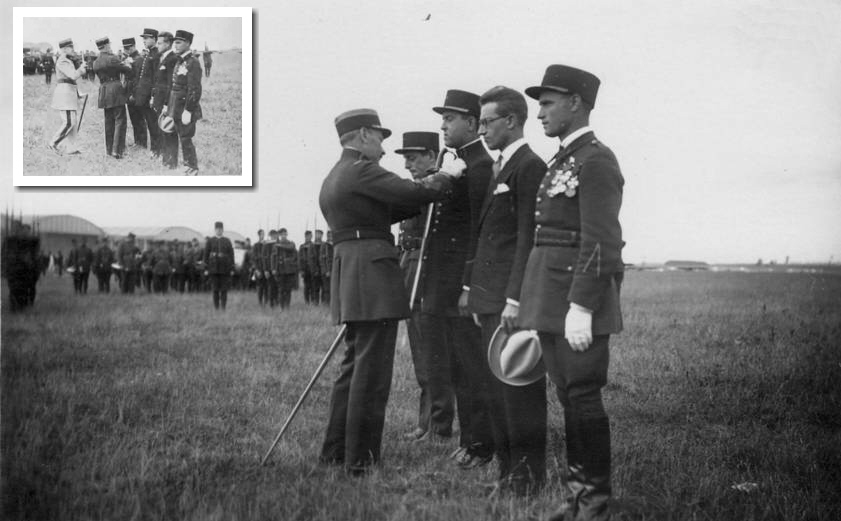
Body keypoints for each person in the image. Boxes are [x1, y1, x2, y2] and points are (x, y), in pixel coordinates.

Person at [318, 108, 465, 475]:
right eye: (381, 140)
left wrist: (420, 196)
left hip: (353, 273)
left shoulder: (339, 173)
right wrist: (447, 174)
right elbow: (409, 191)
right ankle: (361, 460)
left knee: (353, 368)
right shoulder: (362, 169)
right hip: (372, 275)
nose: (384, 151)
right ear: (364, 134)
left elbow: (390, 208)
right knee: (371, 374)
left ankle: (336, 452)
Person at [519, 65, 624, 521]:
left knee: (582, 396)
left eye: (546, 103)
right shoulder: (564, 159)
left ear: (575, 103)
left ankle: (595, 502)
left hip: (576, 300)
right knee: (566, 394)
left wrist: (581, 305)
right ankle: (578, 494)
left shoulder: (595, 160)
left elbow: (601, 240)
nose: (538, 112)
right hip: (550, 295)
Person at [466, 86, 547, 495]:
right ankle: (507, 470)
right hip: (490, 299)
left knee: (519, 392)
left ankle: (527, 477)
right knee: (496, 387)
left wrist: (515, 299)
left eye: (486, 122)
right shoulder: (501, 167)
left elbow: (525, 241)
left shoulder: (529, 167)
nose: (481, 130)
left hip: (511, 302)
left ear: (511, 120)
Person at [430, 91, 496, 464]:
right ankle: (471, 438)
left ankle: (481, 443)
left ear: (472, 123)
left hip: (466, 288)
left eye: (450, 119)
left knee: (473, 366)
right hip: (449, 284)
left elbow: (478, 232)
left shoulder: (481, 167)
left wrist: (469, 286)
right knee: (459, 365)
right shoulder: (456, 163)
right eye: (442, 119)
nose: (442, 126)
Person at [168, 30, 203, 175]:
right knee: (180, 136)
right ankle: (186, 164)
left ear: (188, 43)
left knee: (186, 137)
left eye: (178, 42)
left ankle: (192, 167)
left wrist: (188, 110)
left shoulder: (192, 62)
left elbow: (194, 89)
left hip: (185, 107)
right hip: (176, 106)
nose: (175, 45)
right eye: (174, 42)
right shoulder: (179, 60)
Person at [93, 37, 132, 159]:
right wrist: (128, 63)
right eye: (109, 45)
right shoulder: (112, 59)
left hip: (103, 91)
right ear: (106, 46)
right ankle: (118, 150)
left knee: (108, 121)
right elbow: (127, 71)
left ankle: (109, 150)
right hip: (115, 90)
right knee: (120, 120)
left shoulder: (96, 62)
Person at [48, 38, 87, 155]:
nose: (73, 49)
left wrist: (78, 93)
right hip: (65, 95)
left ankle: (71, 148)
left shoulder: (67, 60)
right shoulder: (63, 61)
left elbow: (70, 80)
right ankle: (53, 143)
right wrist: (81, 69)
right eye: (71, 47)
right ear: (64, 49)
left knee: (72, 123)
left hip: (68, 94)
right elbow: (73, 76)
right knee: (69, 122)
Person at [153, 31, 179, 169]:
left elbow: (170, 84)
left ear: (168, 44)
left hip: (167, 101)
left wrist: (166, 104)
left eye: (160, 43)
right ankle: (165, 158)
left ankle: (171, 161)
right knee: (161, 129)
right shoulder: (162, 57)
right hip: (159, 99)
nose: (157, 45)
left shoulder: (172, 59)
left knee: (169, 130)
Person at [133, 28, 161, 157]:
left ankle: (156, 150)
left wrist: (153, 96)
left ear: (155, 39)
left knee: (154, 124)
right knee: (150, 123)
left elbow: (157, 78)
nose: (144, 40)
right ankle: (154, 149)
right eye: (143, 38)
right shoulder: (148, 54)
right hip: (143, 96)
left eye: (147, 38)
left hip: (150, 96)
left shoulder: (156, 55)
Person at [122, 38, 148, 149]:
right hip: (129, 93)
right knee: (134, 118)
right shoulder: (129, 58)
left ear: (133, 46)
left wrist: (133, 94)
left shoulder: (138, 59)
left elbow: (137, 79)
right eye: (125, 48)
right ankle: (137, 141)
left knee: (139, 119)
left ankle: (142, 143)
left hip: (135, 93)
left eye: (128, 48)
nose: (127, 50)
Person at [203, 222, 234, 310]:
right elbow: (205, 254)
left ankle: (223, 307)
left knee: (224, 290)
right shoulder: (210, 241)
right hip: (213, 268)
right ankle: (216, 308)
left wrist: (232, 267)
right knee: (215, 290)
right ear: (215, 230)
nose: (219, 230)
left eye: (220, 229)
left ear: (223, 230)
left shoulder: (227, 241)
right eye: (217, 229)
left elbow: (231, 254)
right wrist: (205, 268)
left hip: (224, 269)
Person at [272, 228, 298, 309]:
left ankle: (287, 306)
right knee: (281, 289)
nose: (283, 236)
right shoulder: (275, 245)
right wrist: (273, 268)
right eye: (282, 234)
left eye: (285, 234)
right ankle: (282, 306)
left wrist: (279, 245)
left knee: (288, 290)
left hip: (289, 270)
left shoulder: (291, 243)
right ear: (279, 235)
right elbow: (273, 258)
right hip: (280, 270)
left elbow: (291, 248)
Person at [252, 229, 268, 306]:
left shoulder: (267, 244)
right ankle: (260, 302)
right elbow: (254, 259)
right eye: (261, 234)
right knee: (260, 287)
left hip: (266, 269)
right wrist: (256, 270)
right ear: (259, 235)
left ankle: (266, 302)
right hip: (259, 268)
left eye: (263, 234)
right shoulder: (256, 245)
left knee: (266, 287)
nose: (263, 235)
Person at [309, 230, 325, 303]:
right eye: (317, 234)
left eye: (319, 234)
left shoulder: (324, 244)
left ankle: (324, 302)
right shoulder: (312, 245)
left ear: (322, 235)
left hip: (323, 269)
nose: (318, 236)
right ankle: (315, 302)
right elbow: (310, 259)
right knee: (315, 288)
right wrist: (313, 269)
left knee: (324, 287)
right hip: (315, 269)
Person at [298, 231, 314, 303]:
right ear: (305, 236)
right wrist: (301, 269)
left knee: (313, 286)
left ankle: (313, 301)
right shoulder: (302, 246)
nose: (309, 237)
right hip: (305, 269)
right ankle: (307, 301)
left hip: (312, 268)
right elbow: (300, 259)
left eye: (310, 236)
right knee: (306, 286)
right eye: (308, 236)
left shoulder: (313, 245)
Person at [319, 230, 333, 305]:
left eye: (331, 235)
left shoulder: (335, 244)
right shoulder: (324, 245)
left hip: (335, 270)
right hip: (326, 271)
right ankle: (326, 303)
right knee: (326, 289)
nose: (330, 237)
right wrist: (326, 270)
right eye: (329, 235)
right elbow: (322, 259)